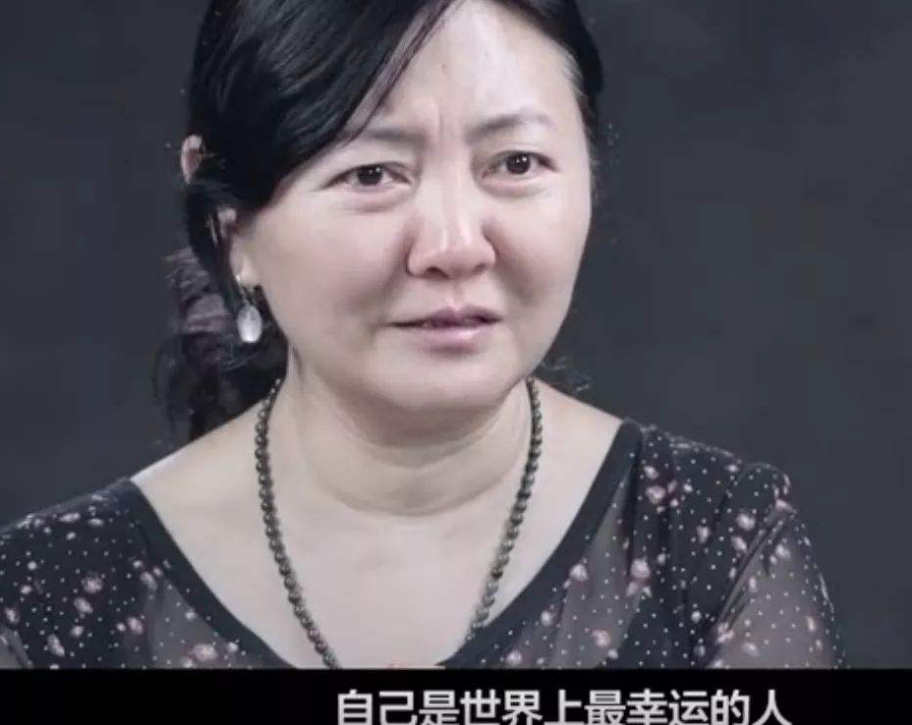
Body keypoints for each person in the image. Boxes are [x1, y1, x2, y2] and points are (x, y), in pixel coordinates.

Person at [0, 0, 847, 670]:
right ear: (231, 227)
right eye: (372, 173)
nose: (454, 245)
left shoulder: (714, 543)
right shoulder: (55, 594)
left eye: (515, 163)